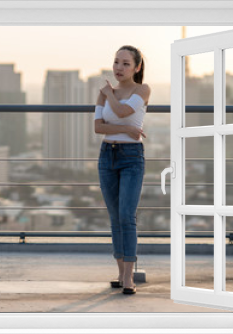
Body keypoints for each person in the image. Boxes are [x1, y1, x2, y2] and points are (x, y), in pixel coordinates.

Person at [94, 45, 150, 295]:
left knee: (127, 216)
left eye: (126, 63)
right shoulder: (104, 94)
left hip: (131, 158)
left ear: (137, 67)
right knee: (115, 218)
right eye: (117, 62)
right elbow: (98, 128)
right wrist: (128, 129)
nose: (119, 67)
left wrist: (110, 94)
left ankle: (129, 277)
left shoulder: (142, 89)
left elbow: (122, 111)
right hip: (107, 156)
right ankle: (119, 272)